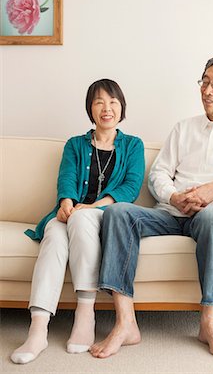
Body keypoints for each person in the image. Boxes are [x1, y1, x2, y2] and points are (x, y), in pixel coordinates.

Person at [89, 55, 213, 360]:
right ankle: (126, 323)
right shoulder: (184, 128)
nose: (207, 90)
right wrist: (173, 196)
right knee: (117, 212)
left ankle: (209, 323)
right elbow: (159, 174)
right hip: (170, 213)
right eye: (204, 82)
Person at [11, 79, 145, 364]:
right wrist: (66, 203)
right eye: (99, 102)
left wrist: (92, 206)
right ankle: (38, 329)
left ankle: (85, 316)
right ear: (90, 109)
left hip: (105, 214)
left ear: (122, 107)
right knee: (54, 235)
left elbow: (131, 187)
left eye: (112, 102)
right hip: (71, 212)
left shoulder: (133, 145)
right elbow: (67, 177)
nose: (106, 108)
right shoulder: (75, 144)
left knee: (83, 220)